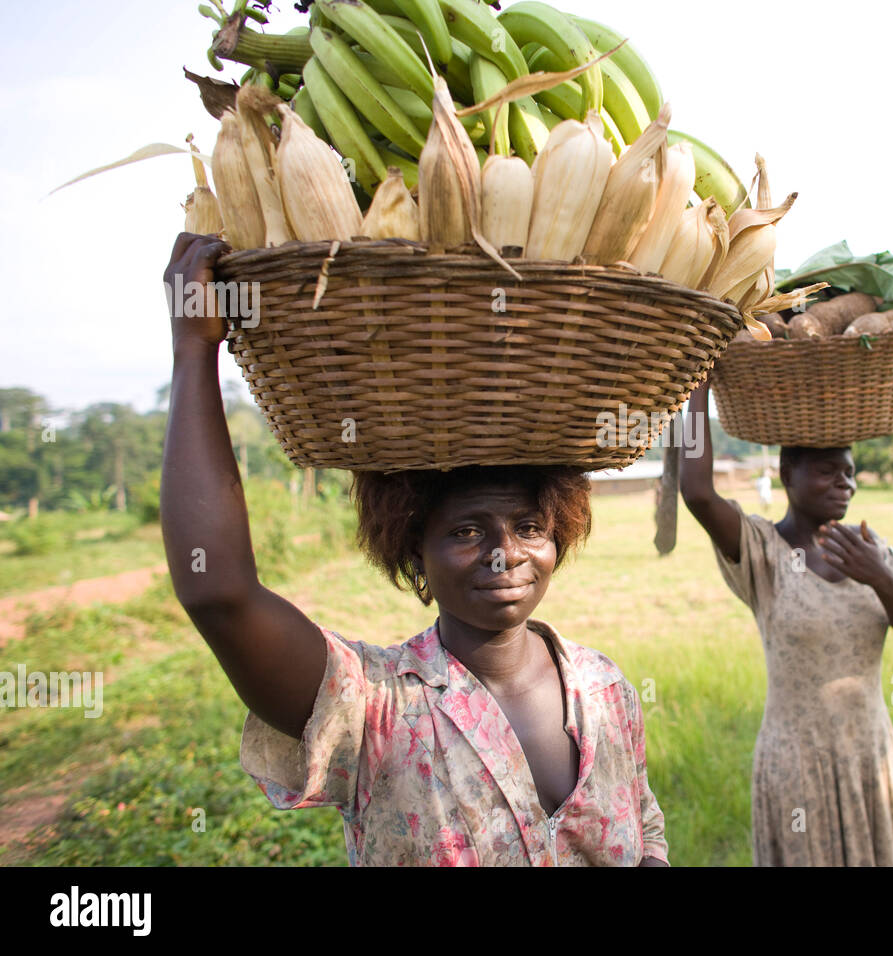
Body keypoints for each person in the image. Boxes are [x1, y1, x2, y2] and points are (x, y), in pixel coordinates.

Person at [160, 234, 668, 867]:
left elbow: (643, 823)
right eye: (466, 531)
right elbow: (219, 594)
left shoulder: (605, 686)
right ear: (412, 547)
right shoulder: (372, 707)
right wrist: (193, 351)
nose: (504, 553)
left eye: (529, 527)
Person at [679, 377, 893, 866]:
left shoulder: (871, 549)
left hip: (871, 754)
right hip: (796, 762)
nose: (846, 484)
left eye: (850, 473)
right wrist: (699, 384)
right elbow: (697, 493)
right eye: (827, 471)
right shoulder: (762, 551)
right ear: (787, 473)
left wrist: (880, 577)